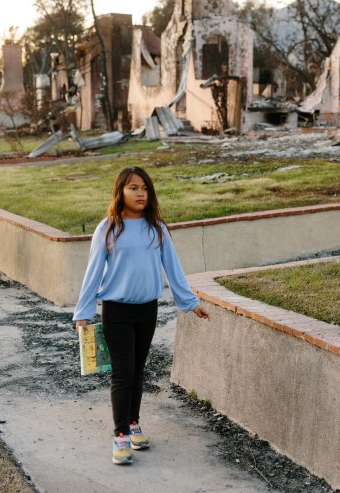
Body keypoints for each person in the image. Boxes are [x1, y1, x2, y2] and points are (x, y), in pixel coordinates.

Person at [73, 166, 210, 465]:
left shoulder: (156, 228)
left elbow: (172, 267)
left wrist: (189, 302)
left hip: (147, 309)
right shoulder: (108, 228)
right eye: (133, 188)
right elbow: (92, 272)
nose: (140, 193)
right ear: (120, 192)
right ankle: (120, 434)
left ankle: (134, 423)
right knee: (122, 372)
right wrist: (83, 312)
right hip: (117, 311)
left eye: (144, 188)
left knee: (138, 370)